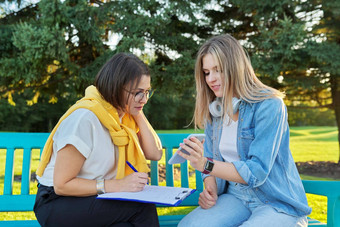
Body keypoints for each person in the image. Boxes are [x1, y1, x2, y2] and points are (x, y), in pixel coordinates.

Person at [177, 34, 311, 227]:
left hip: (277, 202)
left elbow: (256, 171)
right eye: (207, 72)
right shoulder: (215, 110)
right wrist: (210, 188)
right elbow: (208, 160)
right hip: (236, 197)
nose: (211, 79)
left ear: (235, 67)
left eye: (218, 70)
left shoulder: (270, 105)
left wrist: (205, 165)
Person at [34, 53, 163, 227]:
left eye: (147, 92)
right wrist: (117, 185)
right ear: (116, 88)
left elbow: (154, 153)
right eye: (138, 93)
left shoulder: (123, 118)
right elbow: (62, 185)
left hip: (94, 199)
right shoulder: (85, 119)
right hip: (58, 202)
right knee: (142, 208)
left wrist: (138, 110)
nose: (145, 99)